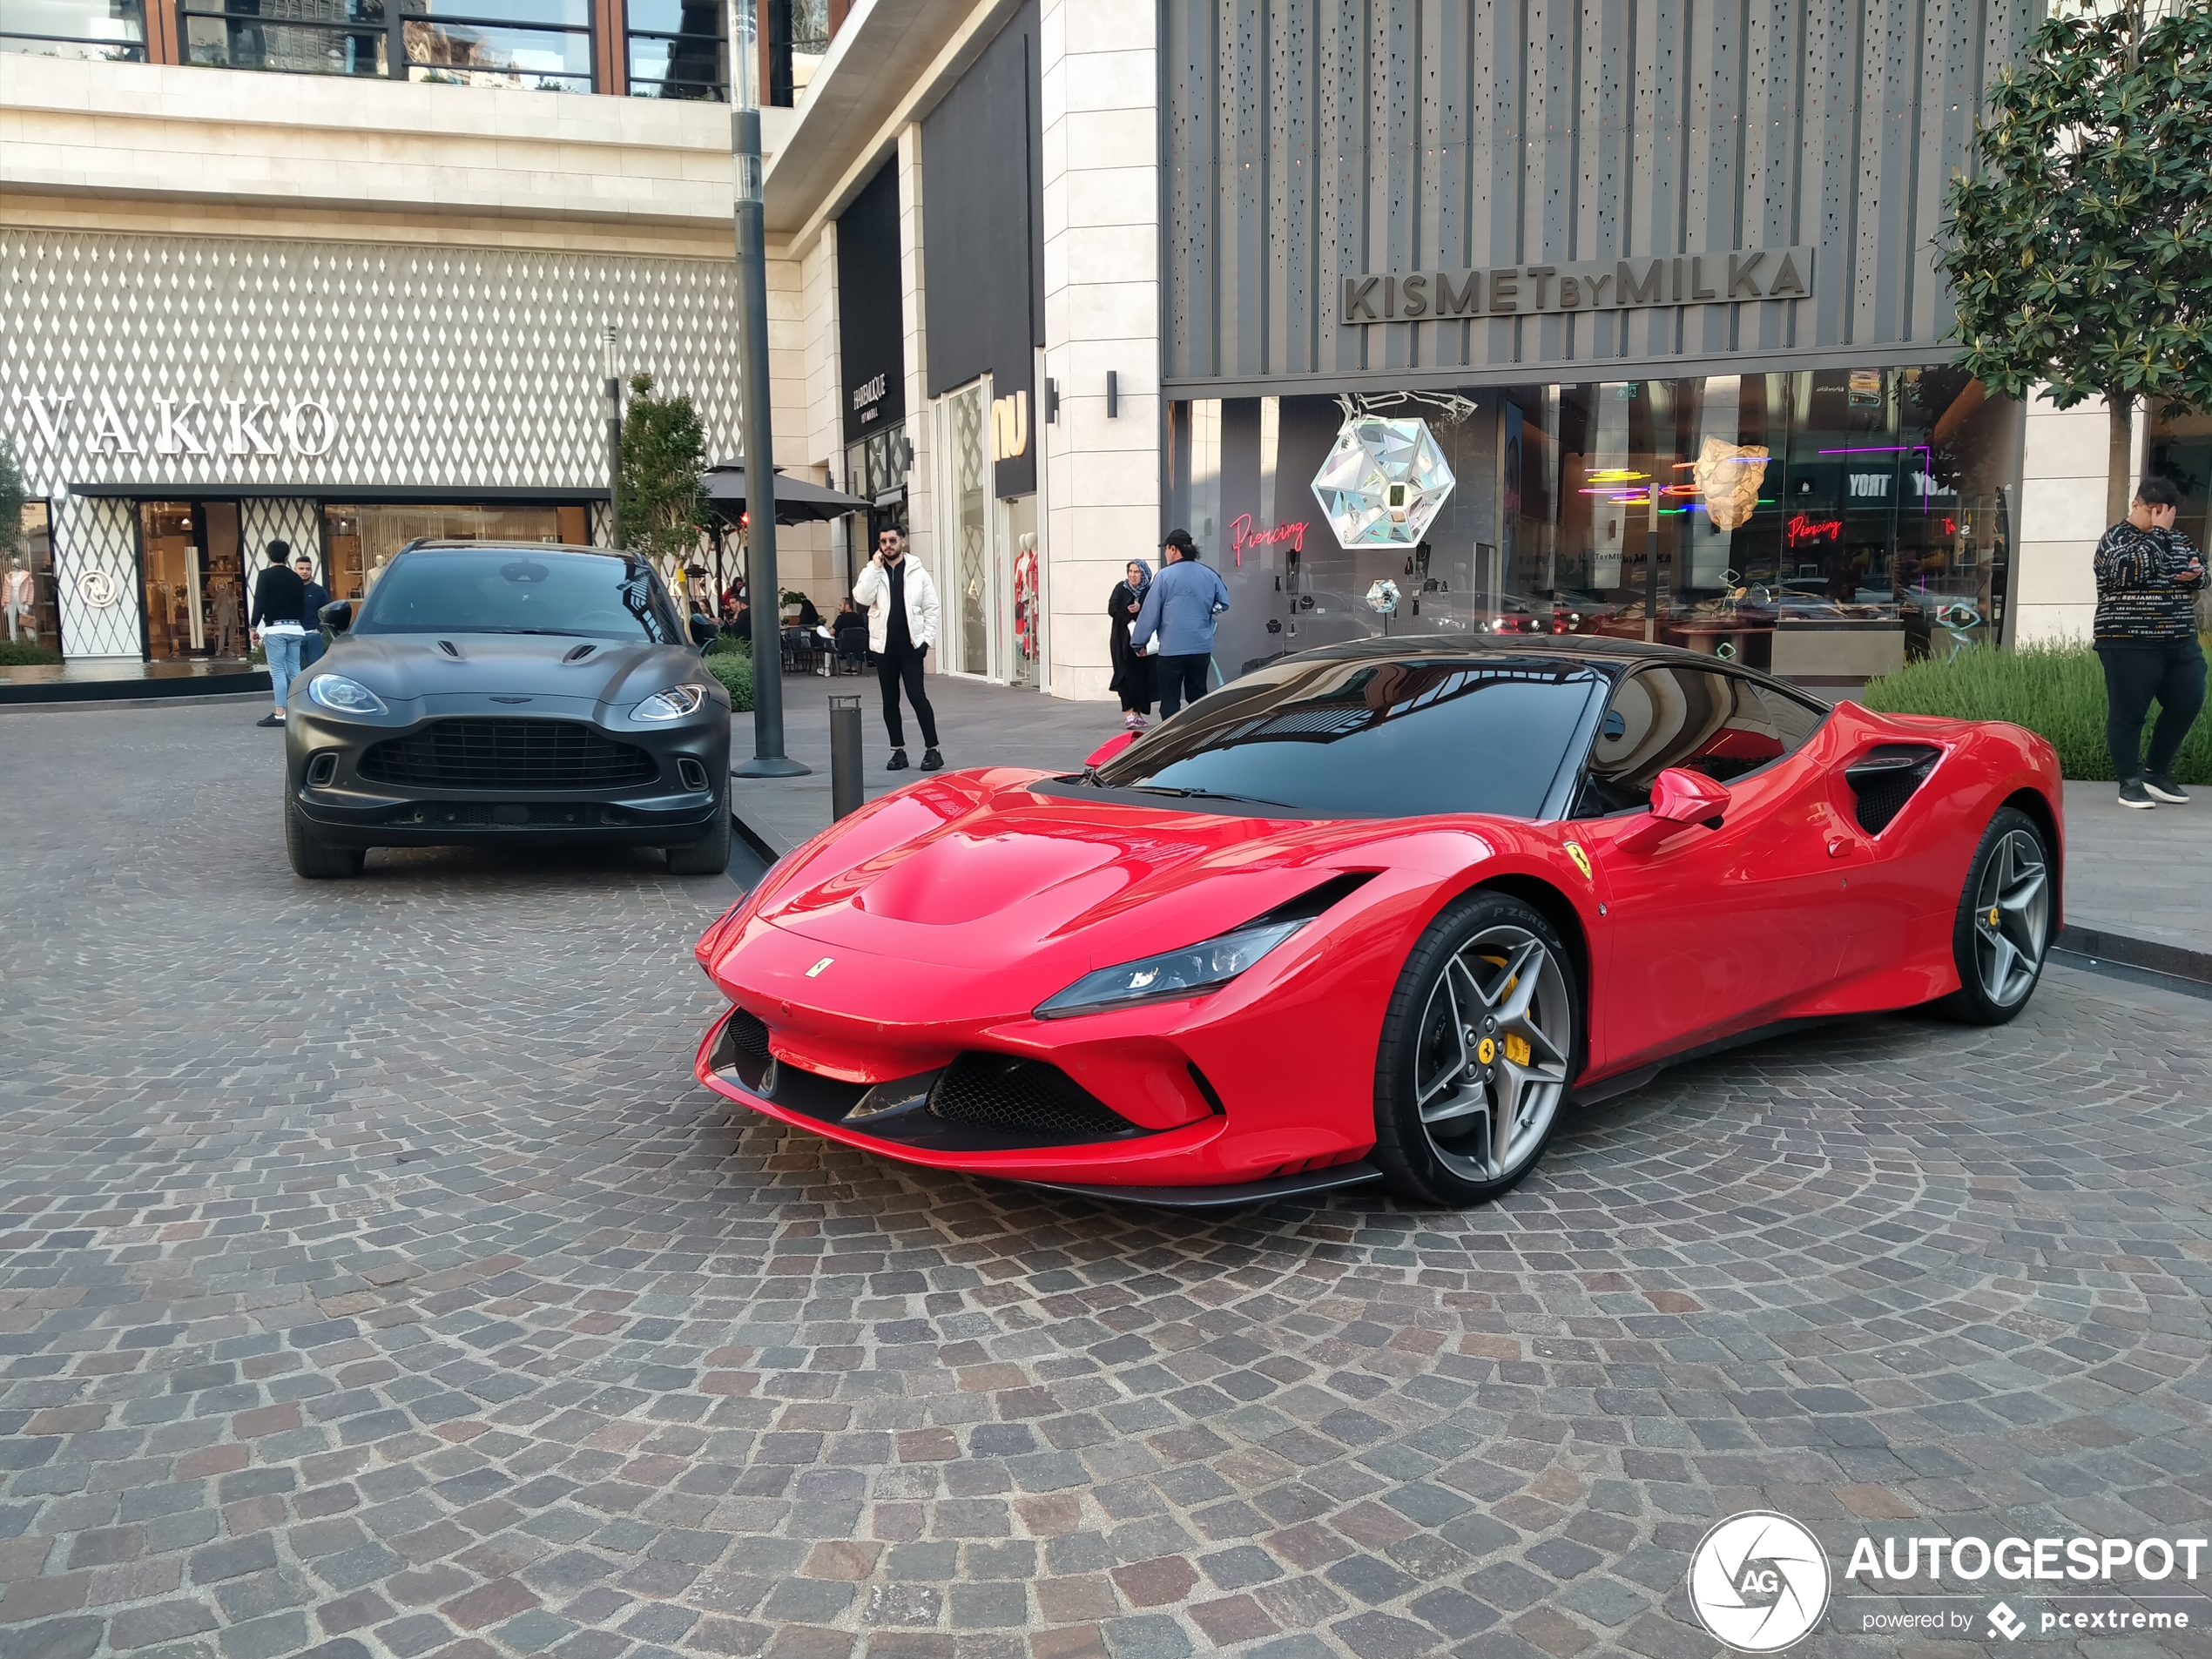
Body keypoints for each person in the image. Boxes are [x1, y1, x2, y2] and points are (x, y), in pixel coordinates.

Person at [2094, 476, 2206, 809]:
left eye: (2164, 513)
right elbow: (2129, 571)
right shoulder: (2114, 540)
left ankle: (2157, 772)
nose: (2157, 519)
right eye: (2151, 512)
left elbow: (2202, 570)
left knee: (2188, 700)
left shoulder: (2178, 538)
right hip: (2129, 641)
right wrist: (2159, 535)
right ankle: (2129, 781)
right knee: (2129, 713)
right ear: (2136, 505)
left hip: (2180, 639)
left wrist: (2198, 575)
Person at [851, 528, 942, 770]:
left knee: (917, 697)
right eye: (883, 541)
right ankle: (898, 751)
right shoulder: (873, 571)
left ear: (903, 541)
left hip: (911, 647)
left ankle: (933, 750)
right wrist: (873, 567)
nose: (888, 545)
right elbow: (861, 598)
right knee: (890, 701)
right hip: (884, 648)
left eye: (892, 540)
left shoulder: (917, 572)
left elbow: (932, 608)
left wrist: (926, 640)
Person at [1130, 529, 1229, 719]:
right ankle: (1199, 737)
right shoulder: (1209, 574)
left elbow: (1150, 613)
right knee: (1198, 698)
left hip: (1171, 651)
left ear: (1173, 549)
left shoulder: (1163, 577)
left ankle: (1171, 741)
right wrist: (1209, 609)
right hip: (1200, 649)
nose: (1165, 554)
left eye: (1166, 549)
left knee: (1170, 702)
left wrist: (1139, 642)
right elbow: (1223, 603)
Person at [248, 539, 307, 728]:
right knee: (295, 670)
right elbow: (302, 605)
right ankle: (300, 709)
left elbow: (260, 603)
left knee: (278, 671)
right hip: (296, 628)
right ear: (288, 556)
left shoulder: (265, 576)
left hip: (276, 628)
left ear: (268, 554)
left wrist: (253, 627)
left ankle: (280, 712)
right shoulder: (296, 578)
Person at [1108, 559, 1156, 729]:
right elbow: (1112, 609)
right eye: (1131, 571)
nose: (1133, 575)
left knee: (1142, 677)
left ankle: (1137, 713)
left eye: (1137, 572)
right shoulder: (1121, 588)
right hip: (1122, 641)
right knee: (1125, 676)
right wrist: (1129, 616)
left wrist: (1140, 608)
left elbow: (1154, 610)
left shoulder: (1149, 591)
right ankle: (1128, 713)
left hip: (1143, 642)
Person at [294, 550, 332, 670]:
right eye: (301, 568)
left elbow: (328, 611)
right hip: (294, 635)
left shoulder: (319, 591)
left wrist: (319, 629)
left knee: (316, 669)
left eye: (308, 569)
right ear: (295, 570)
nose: (305, 571)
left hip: (313, 635)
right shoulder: (289, 590)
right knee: (294, 670)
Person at [833, 597, 868, 671]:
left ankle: (826, 667)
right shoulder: (859, 617)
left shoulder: (841, 618)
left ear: (847, 606)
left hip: (842, 646)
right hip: (858, 645)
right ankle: (853, 668)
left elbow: (832, 632)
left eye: (840, 605)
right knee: (851, 643)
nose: (838, 607)